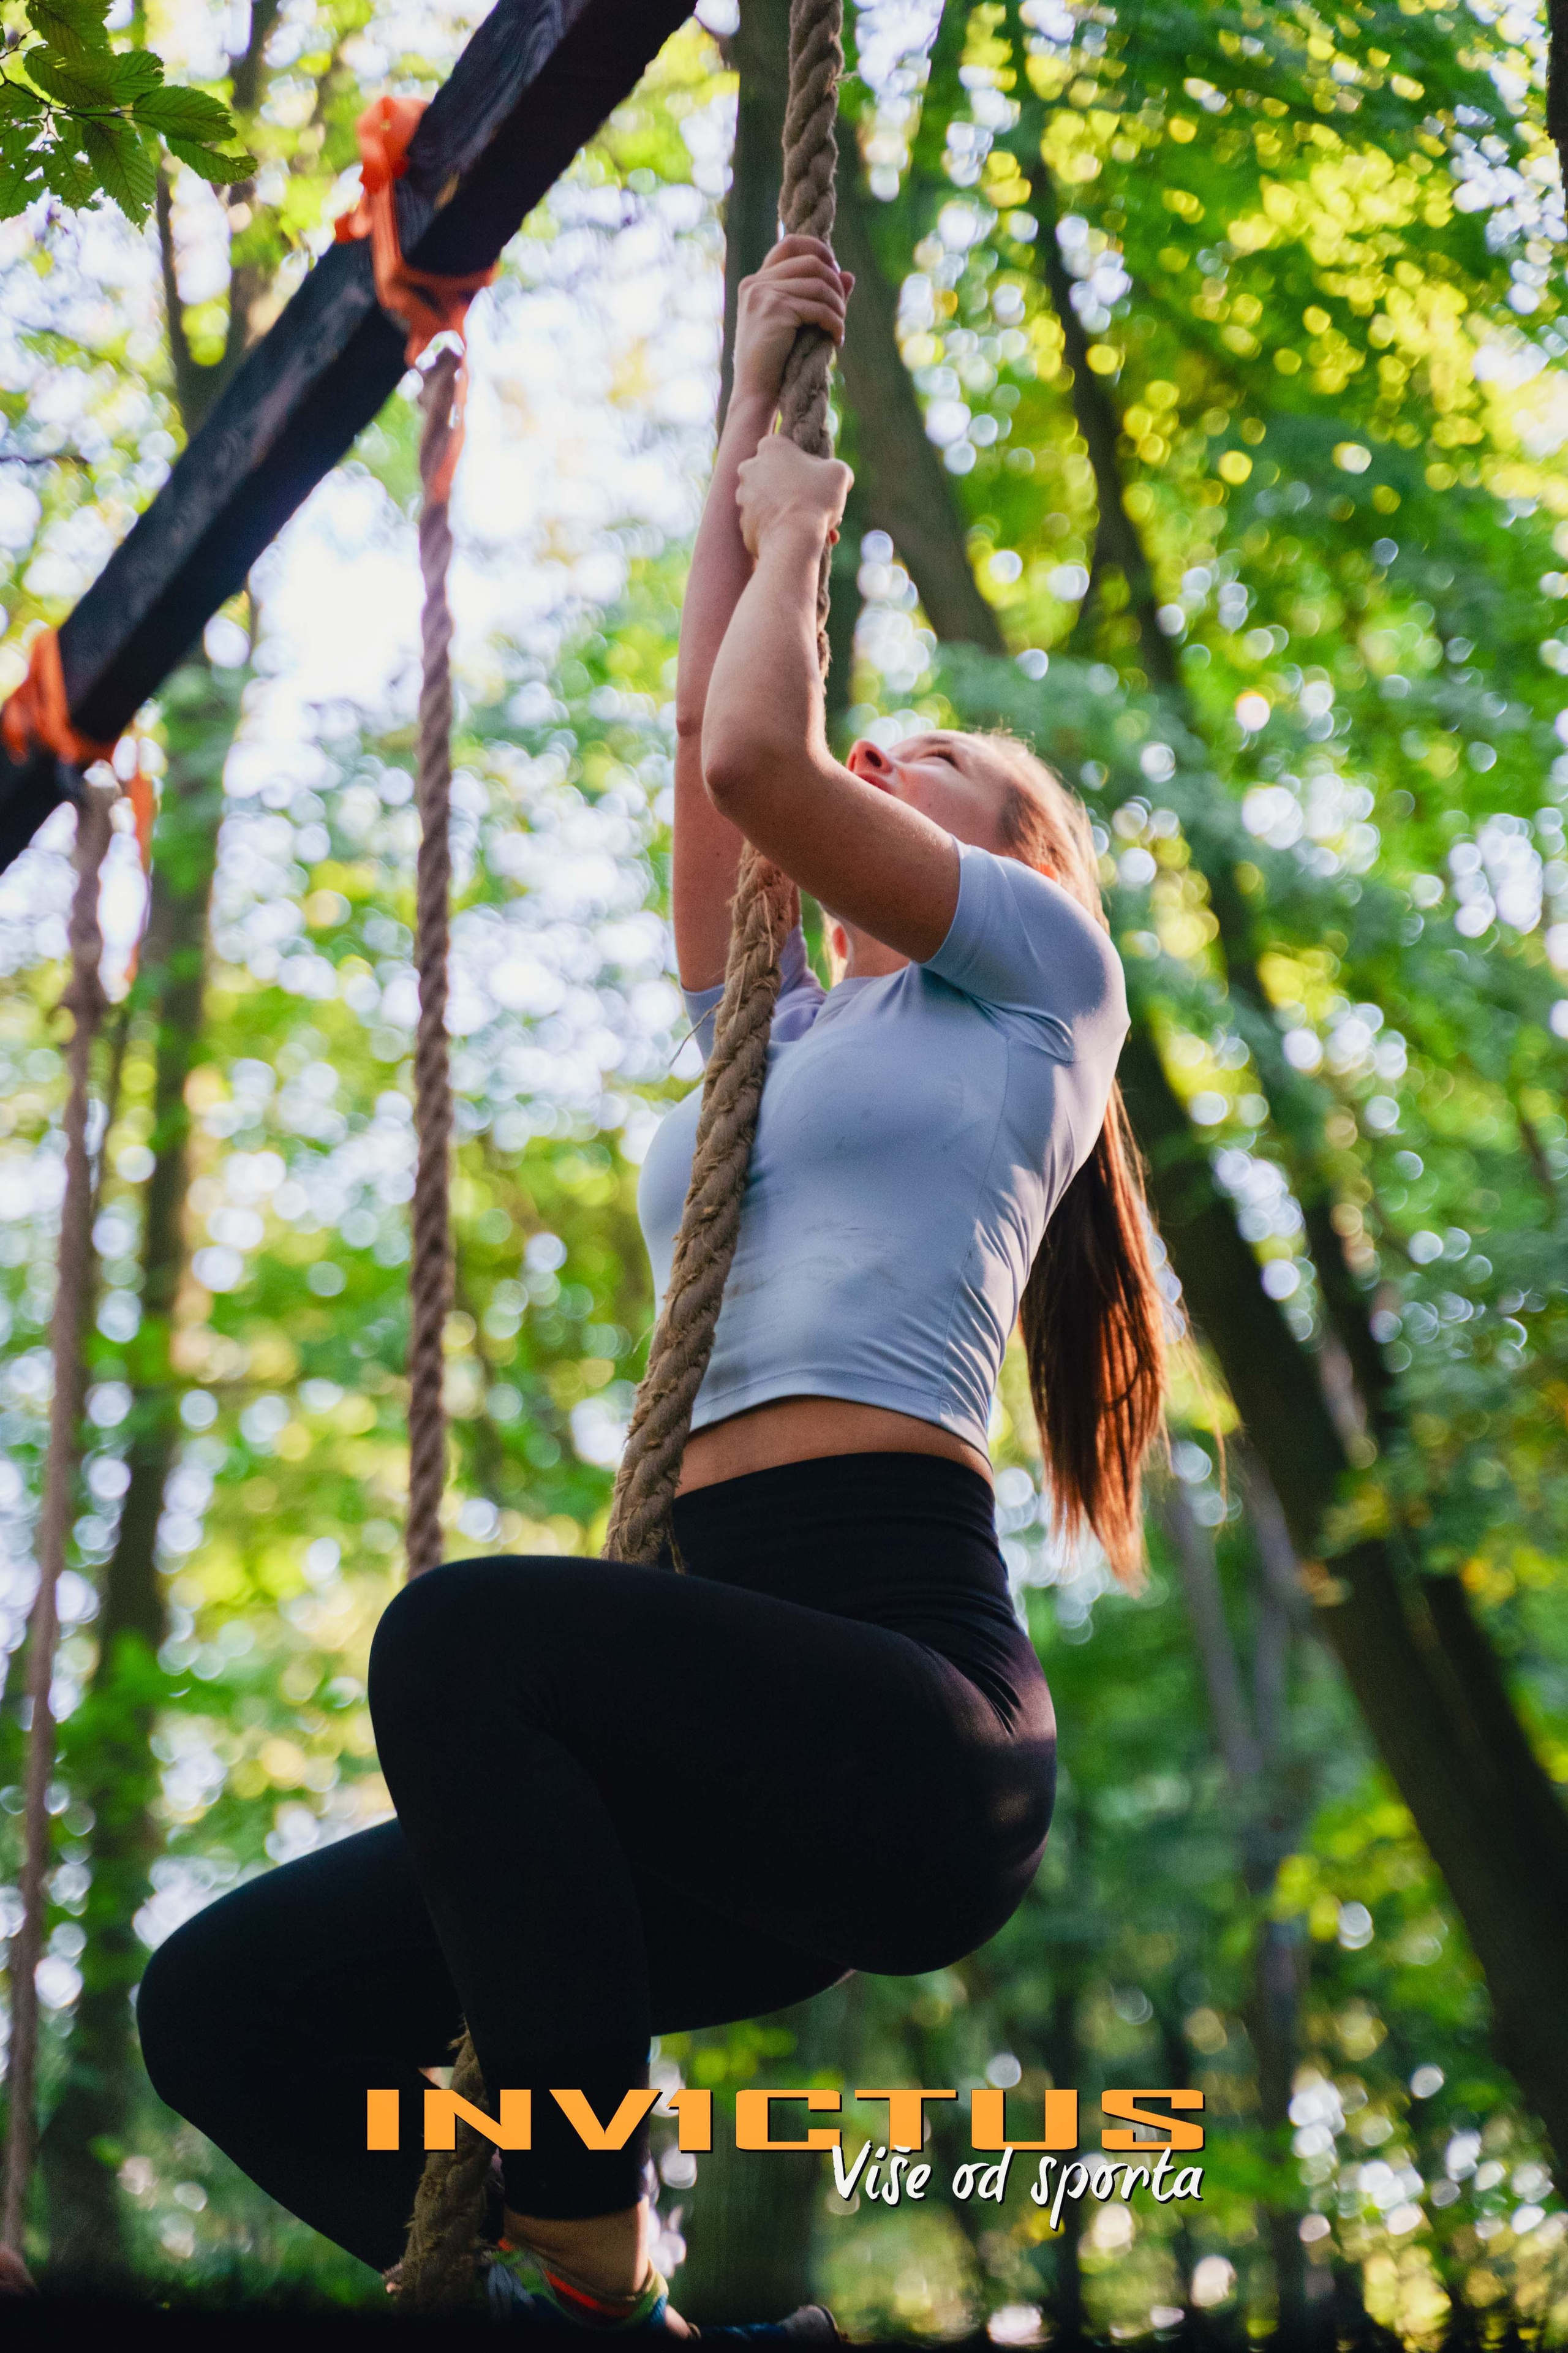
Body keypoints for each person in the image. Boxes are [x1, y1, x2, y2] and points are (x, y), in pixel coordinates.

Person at [134, 236, 1165, 2338]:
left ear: (1013, 848)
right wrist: (745, 423)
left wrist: (802, 536)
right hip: (716, 1761)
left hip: (912, 1725)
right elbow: (716, 738)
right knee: (224, 2006)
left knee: (459, 1644)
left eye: (930, 753)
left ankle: (596, 2241)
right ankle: (604, 2318)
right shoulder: (770, 1029)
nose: (882, 756)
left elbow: (767, 760)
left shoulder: (1043, 985)